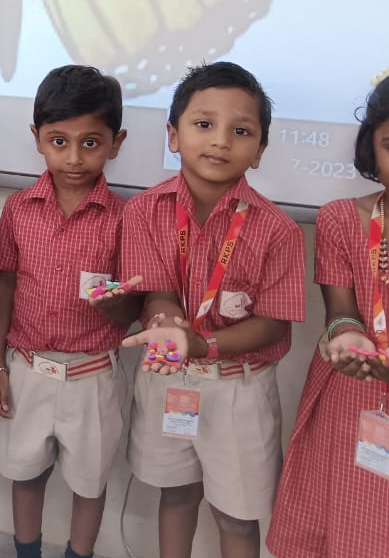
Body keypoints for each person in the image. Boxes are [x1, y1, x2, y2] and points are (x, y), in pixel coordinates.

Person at [119, 62, 305, 558]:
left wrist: (201, 344)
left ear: (260, 150)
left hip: (239, 389)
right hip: (169, 376)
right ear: (173, 136)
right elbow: (158, 292)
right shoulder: (143, 211)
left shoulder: (279, 230)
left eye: (241, 131)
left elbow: (273, 324)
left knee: (237, 516)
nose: (221, 141)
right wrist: (166, 323)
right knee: (177, 494)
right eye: (204, 124)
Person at [268, 60, 389, 557]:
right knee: (339, 520)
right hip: (349, 393)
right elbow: (340, 312)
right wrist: (348, 336)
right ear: (370, 147)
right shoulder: (340, 219)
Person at [0, 65, 140, 558]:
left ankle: (79, 552)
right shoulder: (19, 208)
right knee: (26, 474)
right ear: (37, 138)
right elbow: (5, 284)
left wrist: (117, 303)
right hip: (27, 369)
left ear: (115, 143)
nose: (74, 157)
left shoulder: (126, 218)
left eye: (90, 143)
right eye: (59, 141)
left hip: (93, 376)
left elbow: (132, 311)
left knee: (89, 483)